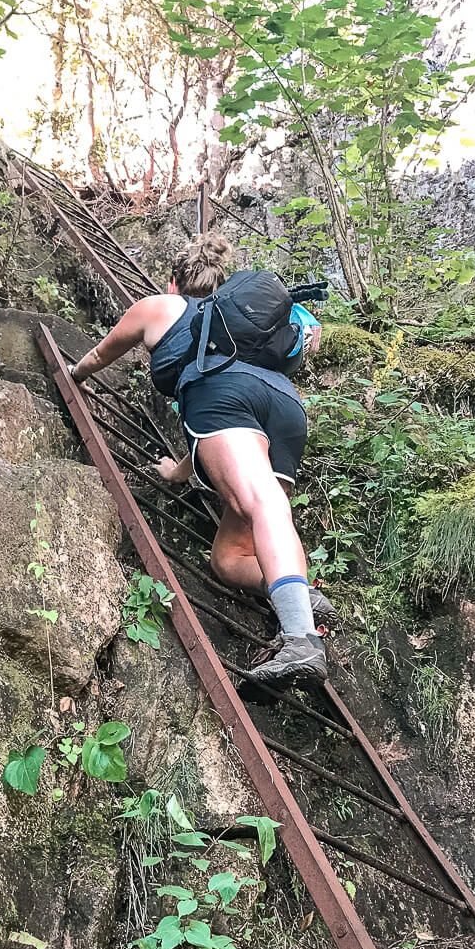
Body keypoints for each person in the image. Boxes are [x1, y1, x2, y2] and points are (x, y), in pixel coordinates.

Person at [68, 233, 330, 688]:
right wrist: (177, 471)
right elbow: (214, 441)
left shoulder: (160, 307)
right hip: (284, 407)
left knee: (262, 502)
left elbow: (100, 354)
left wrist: (75, 375)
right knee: (228, 559)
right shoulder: (226, 334)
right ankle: (301, 596)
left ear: (173, 282)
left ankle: (301, 637)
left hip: (224, 399)